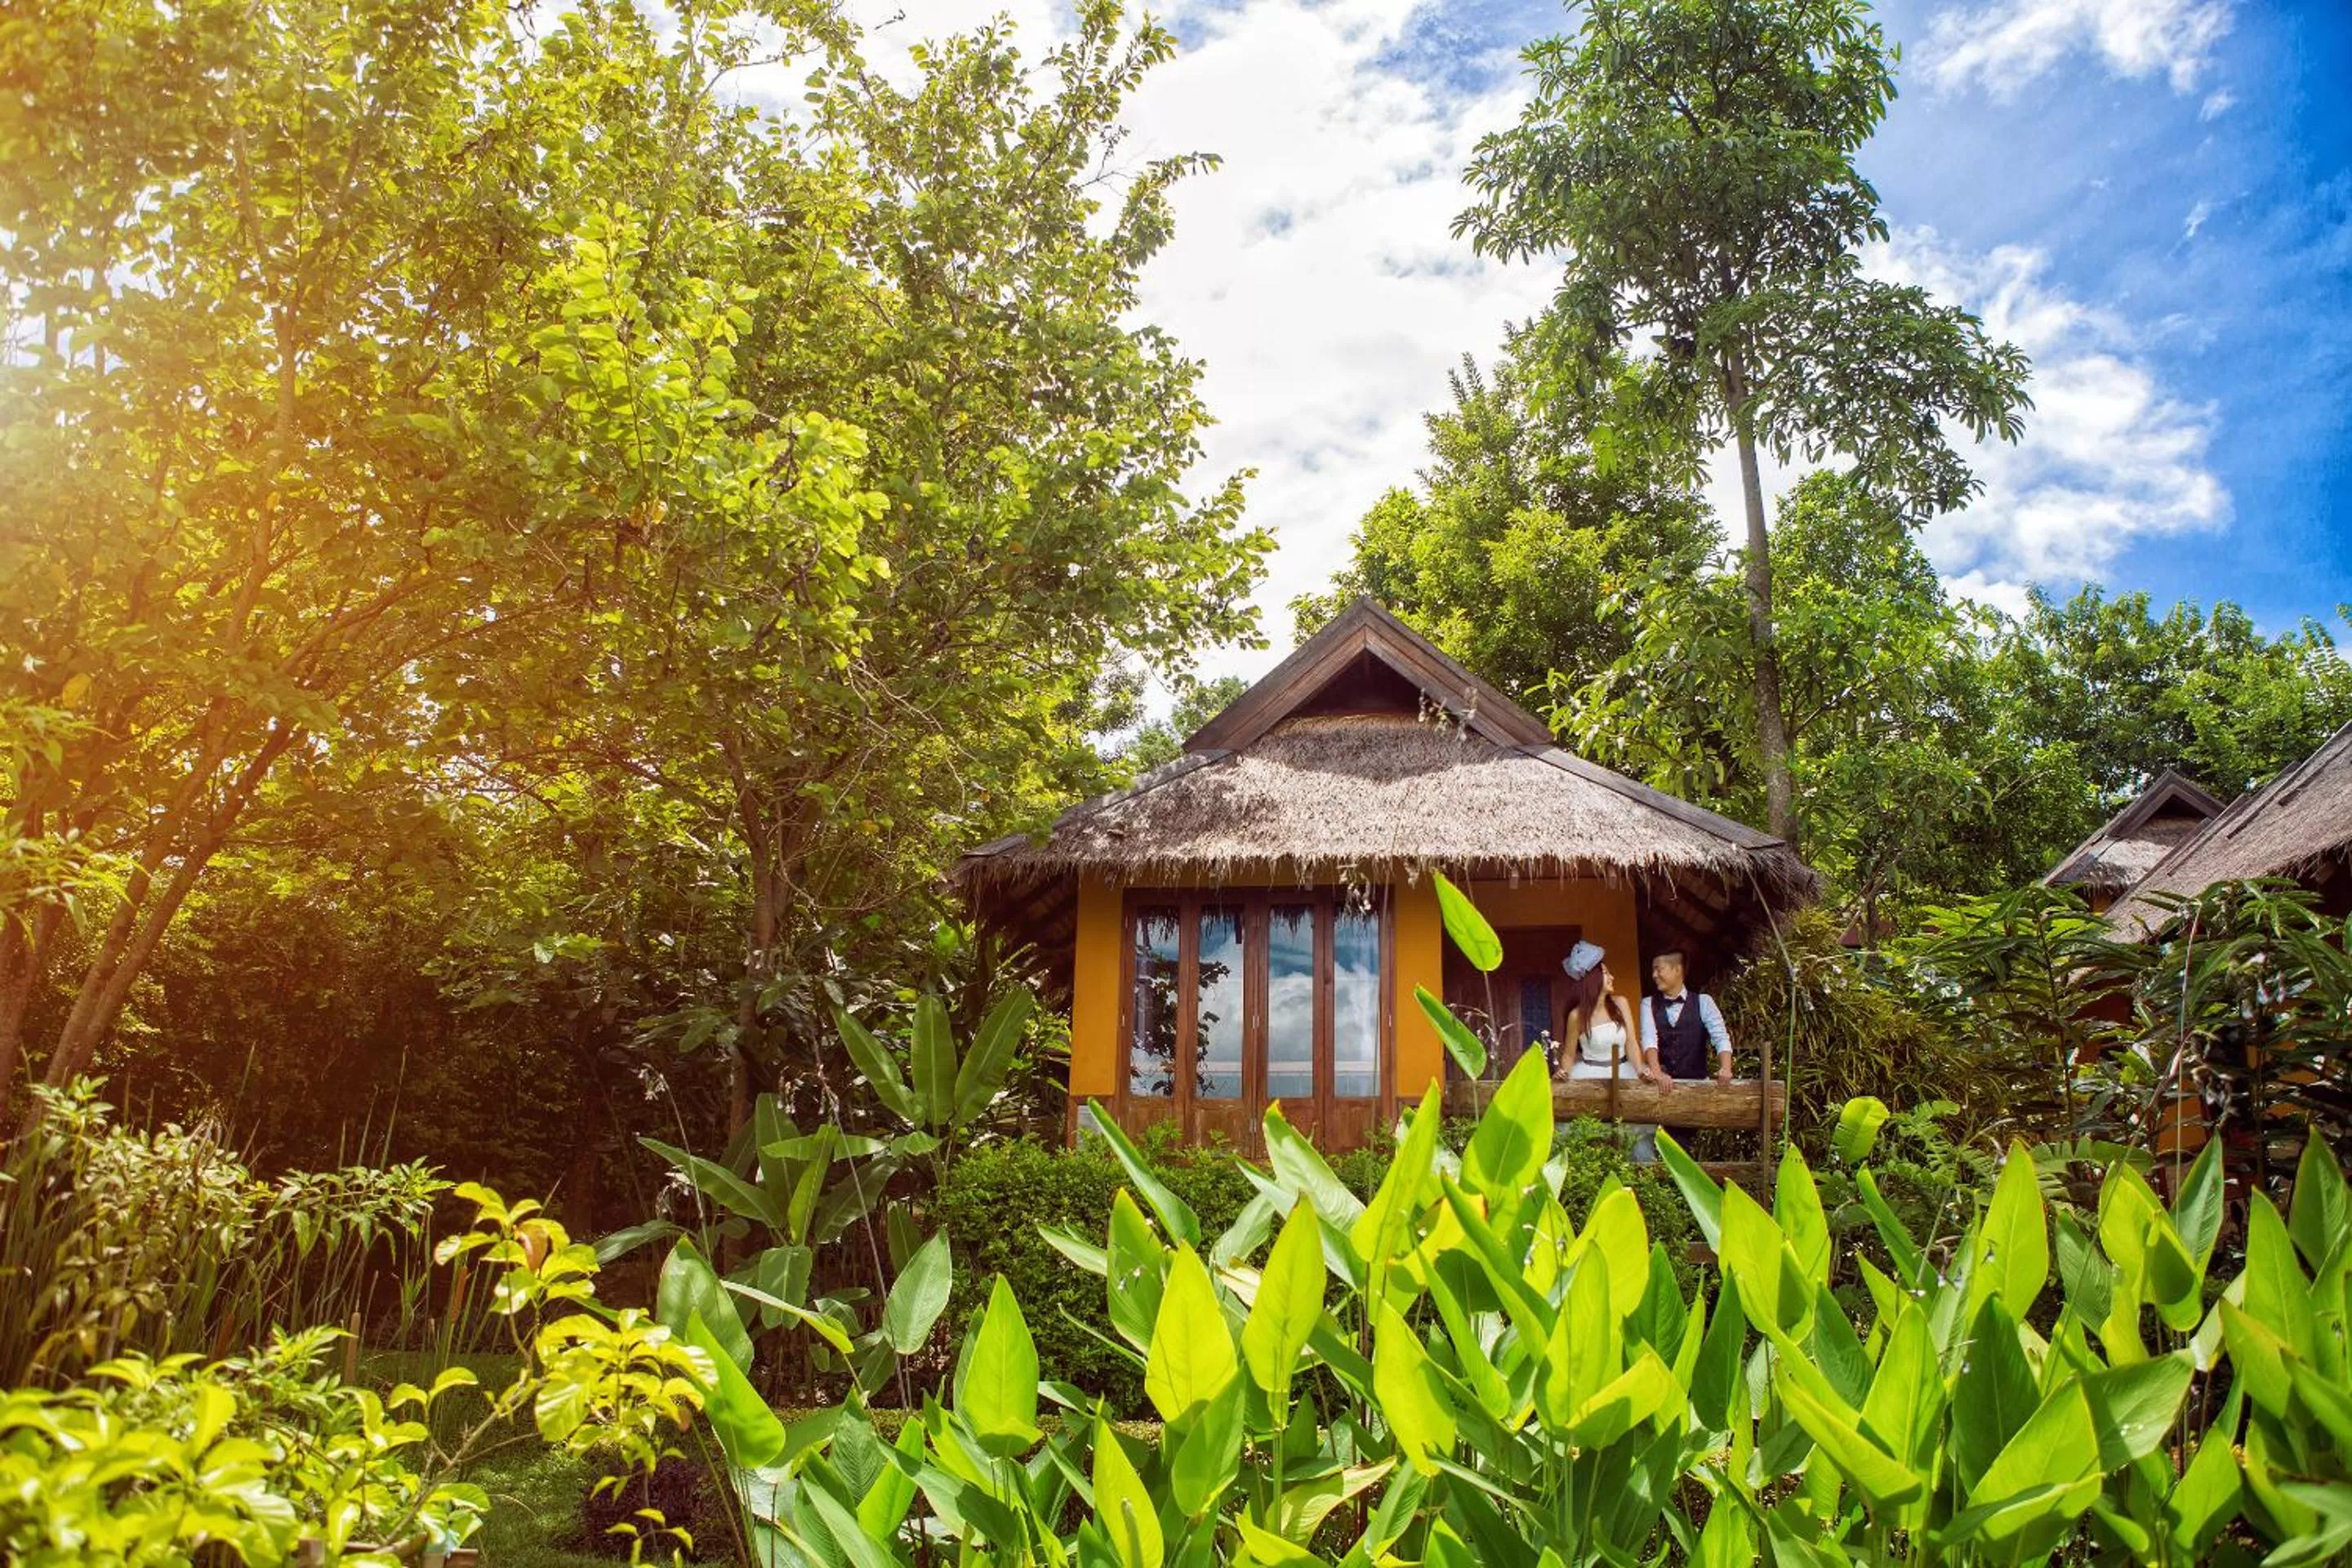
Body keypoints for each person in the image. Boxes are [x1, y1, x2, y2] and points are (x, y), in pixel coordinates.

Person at [1630, 948, 1736, 1161]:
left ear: (1677, 970)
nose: (1654, 975)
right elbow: (1649, 1039)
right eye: (1653, 970)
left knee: (1689, 1148)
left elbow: (1720, 1037)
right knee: (1660, 1144)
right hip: (1661, 1089)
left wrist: (1726, 1068)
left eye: (1658, 969)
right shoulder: (1648, 1003)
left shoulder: (1704, 1002)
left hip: (1695, 1086)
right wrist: (1658, 1073)